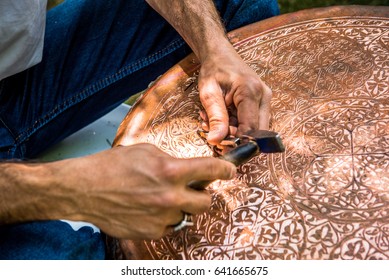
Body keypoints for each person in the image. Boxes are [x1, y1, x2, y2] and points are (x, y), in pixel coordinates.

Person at [0, 0, 279, 259]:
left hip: (9, 82)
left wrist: (215, 51)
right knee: (102, 257)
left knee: (236, 6)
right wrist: (72, 186)